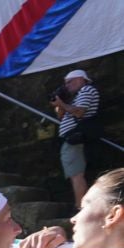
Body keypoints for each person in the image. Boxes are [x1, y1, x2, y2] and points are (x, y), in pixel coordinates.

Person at [52, 69, 100, 209]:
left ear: (80, 79)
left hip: (75, 137)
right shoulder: (77, 96)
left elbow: (79, 112)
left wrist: (62, 104)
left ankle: (80, 207)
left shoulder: (86, 90)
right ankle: (82, 206)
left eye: (69, 82)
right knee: (76, 174)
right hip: (72, 137)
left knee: (76, 174)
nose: (67, 86)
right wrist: (59, 105)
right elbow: (61, 117)